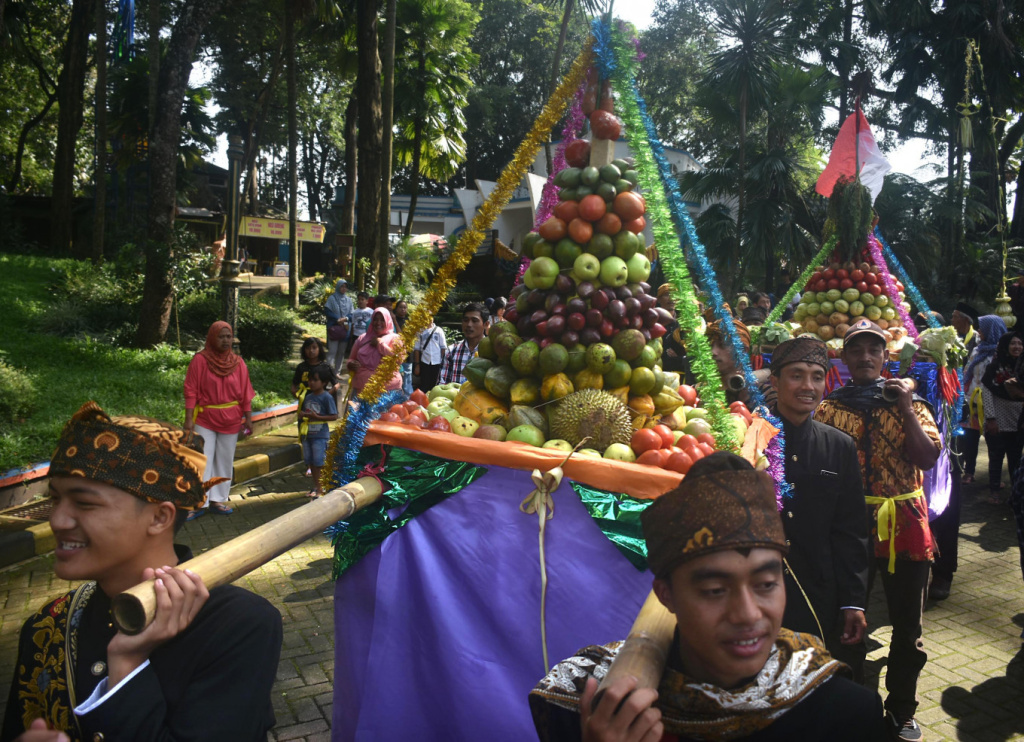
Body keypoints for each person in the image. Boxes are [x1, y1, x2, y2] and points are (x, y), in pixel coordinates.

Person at [529, 452, 887, 742]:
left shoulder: (842, 714)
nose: (747, 615)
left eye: (765, 584)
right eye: (715, 590)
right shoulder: (591, 707)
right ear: (666, 595)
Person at [1, 402, 282, 742]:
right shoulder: (47, 627)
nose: (58, 520)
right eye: (55, 499)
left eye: (84, 503)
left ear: (160, 518)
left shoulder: (238, 624)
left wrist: (127, 663)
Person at [815, 318, 941, 741]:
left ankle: (902, 709)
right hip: (853, 528)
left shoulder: (914, 405)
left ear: (886, 358)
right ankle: (851, 705)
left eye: (874, 350)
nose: (865, 357)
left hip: (905, 524)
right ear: (845, 358)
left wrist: (904, 406)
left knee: (908, 628)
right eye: (857, 350)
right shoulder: (830, 409)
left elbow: (926, 459)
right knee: (848, 622)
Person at [768, 338, 869, 676]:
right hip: (762, 590)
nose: (807, 387)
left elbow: (851, 529)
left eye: (816, 376)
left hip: (820, 591)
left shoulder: (839, 446)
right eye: (796, 375)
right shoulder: (752, 438)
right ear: (775, 382)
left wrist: (853, 601)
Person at [183, 321, 254, 520]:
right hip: (205, 417)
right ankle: (198, 502)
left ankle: (218, 499)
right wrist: (188, 419)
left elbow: (245, 393)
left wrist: (248, 418)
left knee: (224, 459)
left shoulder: (238, 363)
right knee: (202, 460)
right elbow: (191, 390)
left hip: (231, 419)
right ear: (212, 337)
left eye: (228, 336)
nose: (225, 341)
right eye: (221, 336)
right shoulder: (200, 360)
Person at [961, 315, 1007, 485]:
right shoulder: (977, 350)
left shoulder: (1001, 354)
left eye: (982, 328)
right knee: (970, 439)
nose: (979, 331)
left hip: (992, 405)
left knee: (994, 441)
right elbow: (968, 373)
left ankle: (995, 477)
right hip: (972, 401)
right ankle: (969, 472)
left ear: (991, 330)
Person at [981, 331, 1024, 504]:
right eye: (1013, 343)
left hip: (1018, 421)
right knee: (996, 456)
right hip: (998, 420)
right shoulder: (994, 367)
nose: (1017, 347)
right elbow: (987, 392)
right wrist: (991, 418)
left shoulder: (1022, 368)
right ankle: (994, 491)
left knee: (1015, 459)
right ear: (1005, 346)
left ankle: (1015, 494)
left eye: (1020, 344)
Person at [299, 367, 338, 498]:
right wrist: (303, 415)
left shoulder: (326, 397)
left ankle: (322, 488)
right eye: (310, 380)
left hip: (320, 435)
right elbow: (306, 413)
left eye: (315, 380)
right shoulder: (308, 397)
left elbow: (334, 416)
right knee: (311, 462)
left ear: (324, 382)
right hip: (308, 434)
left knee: (319, 462)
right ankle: (317, 486)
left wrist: (318, 418)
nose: (311, 383)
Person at [347, 307, 403, 395]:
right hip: (361, 388)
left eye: (382, 320)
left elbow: (398, 360)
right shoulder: (362, 338)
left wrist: (380, 345)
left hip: (387, 391)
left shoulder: (395, 339)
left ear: (388, 321)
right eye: (375, 319)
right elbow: (351, 359)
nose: (378, 323)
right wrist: (351, 365)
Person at [439, 302, 490, 385]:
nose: (469, 325)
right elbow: (442, 384)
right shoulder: (451, 351)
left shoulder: (491, 352)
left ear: (486, 324)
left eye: (474, 321)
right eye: (466, 320)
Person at [324, 279, 353, 374]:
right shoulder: (332, 298)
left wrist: (345, 319)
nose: (344, 288)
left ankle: (337, 372)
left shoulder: (349, 300)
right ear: (338, 287)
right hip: (334, 328)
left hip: (345, 329)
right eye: (342, 286)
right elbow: (327, 311)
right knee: (332, 351)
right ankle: (329, 372)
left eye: (345, 286)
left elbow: (352, 314)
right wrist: (337, 319)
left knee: (341, 352)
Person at [414, 319, 447, 392]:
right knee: (424, 385)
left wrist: (443, 363)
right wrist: (417, 365)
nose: (428, 319)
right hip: (425, 362)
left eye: (430, 316)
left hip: (437, 362)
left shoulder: (439, 330)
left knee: (435, 385)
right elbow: (417, 349)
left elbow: (443, 348)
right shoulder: (419, 331)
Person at [394, 300, 414, 395]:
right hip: (395, 355)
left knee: (407, 380)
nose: (403, 309)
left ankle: (408, 401)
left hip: (407, 355)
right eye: (400, 307)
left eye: (405, 307)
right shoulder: (392, 320)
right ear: (396, 308)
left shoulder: (409, 322)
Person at [345, 292, 373, 361]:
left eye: (362, 299)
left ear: (367, 301)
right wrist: (351, 336)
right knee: (357, 352)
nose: (360, 301)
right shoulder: (355, 312)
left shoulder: (371, 311)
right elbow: (353, 324)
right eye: (359, 299)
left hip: (366, 336)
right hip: (356, 335)